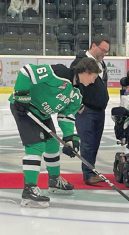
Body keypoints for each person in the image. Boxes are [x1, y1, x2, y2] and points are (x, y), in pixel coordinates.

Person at [9, 57, 101, 208]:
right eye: (94, 77)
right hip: (24, 108)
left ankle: (54, 180)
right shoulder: (59, 72)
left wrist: (69, 138)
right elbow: (27, 71)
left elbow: (66, 116)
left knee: (52, 143)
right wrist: (21, 94)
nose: (93, 81)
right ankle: (29, 189)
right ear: (86, 72)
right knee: (36, 146)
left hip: (42, 114)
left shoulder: (77, 93)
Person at [70, 37, 110, 186]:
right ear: (93, 45)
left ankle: (91, 171)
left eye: (106, 51)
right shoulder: (80, 61)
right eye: (102, 50)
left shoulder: (101, 63)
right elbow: (74, 84)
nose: (104, 54)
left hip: (99, 110)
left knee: (95, 143)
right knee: (87, 143)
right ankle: (88, 175)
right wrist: (79, 106)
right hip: (86, 110)